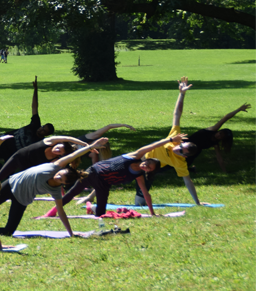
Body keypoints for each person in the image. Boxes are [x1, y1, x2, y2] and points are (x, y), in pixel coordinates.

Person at [0, 138, 108, 237]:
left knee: (9, 231)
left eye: (60, 178)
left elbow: (61, 212)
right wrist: (91, 146)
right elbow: (72, 155)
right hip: (11, 184)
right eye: (59, 174)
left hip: (22, 199)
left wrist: (71, 233)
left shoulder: (55, 191)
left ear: (63, 184)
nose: (57, 176)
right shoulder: (55, 166)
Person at [49, 135, 186, 217]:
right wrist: (170, 139)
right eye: (147, 163)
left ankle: (93, 209)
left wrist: (152, 213)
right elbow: (152, 145)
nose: (146, 166)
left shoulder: (138, 176)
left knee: (101, 213)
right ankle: (51, 213)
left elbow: (146, 194)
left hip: (103, 185)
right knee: (72, 192)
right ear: (146, 160)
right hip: (93, 173)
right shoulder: (135, 156)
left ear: (149, 171)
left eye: (149, 168)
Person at [134, 77, 203, 206]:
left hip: (152, 168)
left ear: (184, 156)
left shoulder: (180, 163)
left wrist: (197, 202)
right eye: (181, 146)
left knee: (139, 204)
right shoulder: (176, 138)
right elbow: (177, 114)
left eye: (181, 151)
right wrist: (182, 94)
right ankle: (92, 196)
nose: (178, 148)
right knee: (117, 170)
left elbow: (188, 181)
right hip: (142, 156)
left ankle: (142, 191)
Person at [0, 77, 54, 174]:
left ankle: (0, 171)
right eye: (43, 127)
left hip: (12, 154)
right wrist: (35, 89)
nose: (41, 130)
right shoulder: (35, 124)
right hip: (3, 144)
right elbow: (34, 106)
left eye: (44, 131)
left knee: (6, 172)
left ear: (46, 134)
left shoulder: (38, 143)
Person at [185, 103, 250, 173]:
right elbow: (226, 117)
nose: (219, 135)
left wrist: (224, 171)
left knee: (182, 165)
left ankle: (189, 169)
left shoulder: (215, 144)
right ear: (219, 131)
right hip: (185, 143)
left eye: (221, 137)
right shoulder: (213, 129)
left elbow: (219, 158)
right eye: (220, 133)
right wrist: (239, 110)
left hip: (194, 152)